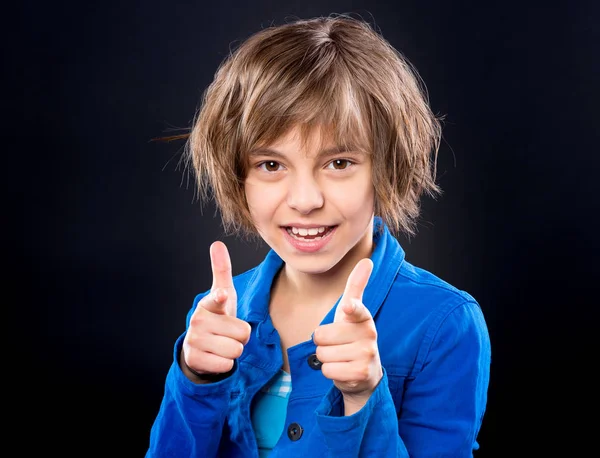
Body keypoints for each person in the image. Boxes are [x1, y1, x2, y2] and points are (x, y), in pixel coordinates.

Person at [146, 14, 491, 458]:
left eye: (339, 163)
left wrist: (363, 397)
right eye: (271, 165)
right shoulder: (217, 313)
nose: (305, 200)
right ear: (239, 176)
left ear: (386, 166)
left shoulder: (446, 324)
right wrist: (195, 381)